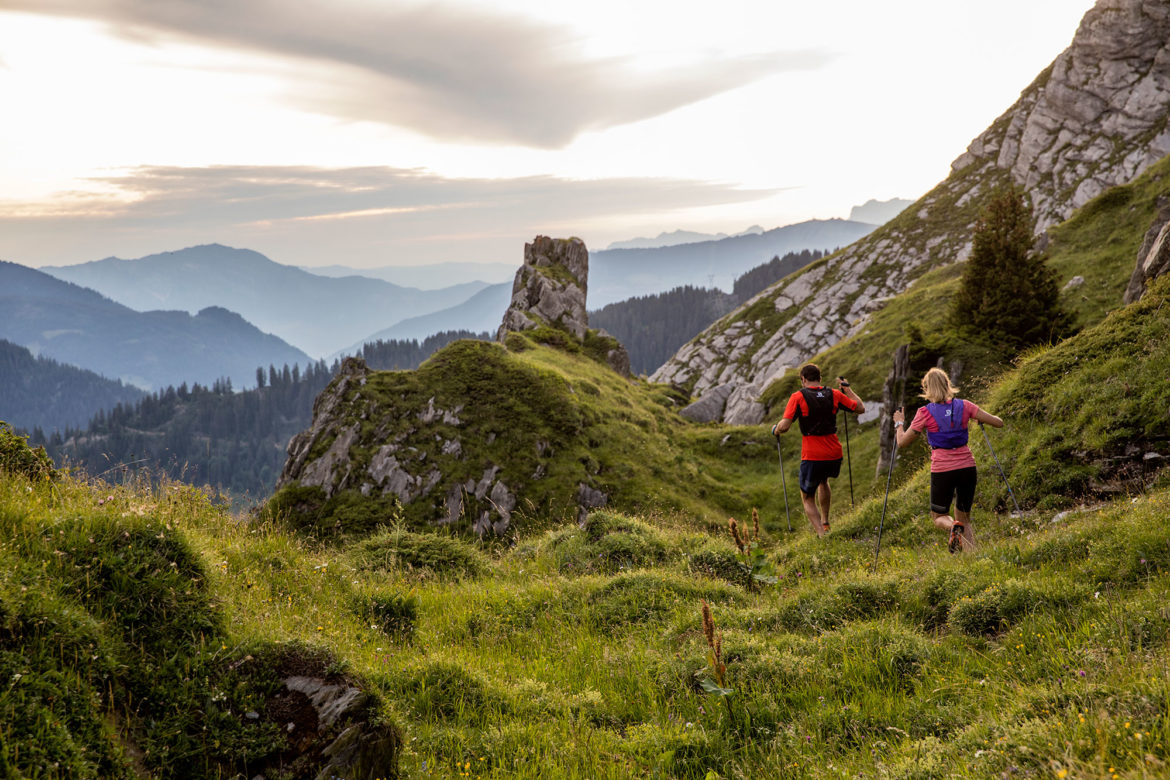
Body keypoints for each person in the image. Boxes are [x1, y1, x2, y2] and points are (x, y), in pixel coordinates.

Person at [891, 367, 1003, 553]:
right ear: (947, 384)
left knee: (939, 516)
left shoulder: (925, 412)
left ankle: (952, 527)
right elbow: (998, 422)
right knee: (965, 518)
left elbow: (902, 442)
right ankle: (972, 555)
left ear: (927, 388)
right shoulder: (965, 406)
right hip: (967, 467)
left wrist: (899, 423)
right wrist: (977, 419)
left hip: (943, 470)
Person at [771, 364, 864, 536]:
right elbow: (860, 408)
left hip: (813, 454)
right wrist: (847, 389)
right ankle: (826, 522)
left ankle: (822, 534)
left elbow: (784, 426)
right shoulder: (834, 394)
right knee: (823, 481)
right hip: (834, 452)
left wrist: (775, 429)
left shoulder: (798, 396)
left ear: (803, 380)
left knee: (807, 497)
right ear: (820, 379)